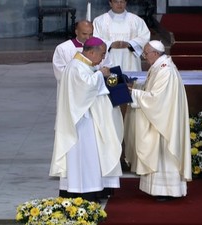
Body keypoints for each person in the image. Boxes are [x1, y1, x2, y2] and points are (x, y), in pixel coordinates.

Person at [49, 37, 124, 202]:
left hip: (86, 119)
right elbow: (86, 88)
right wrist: (100, 74)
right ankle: (85, 192)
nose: (103, 58)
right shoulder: (76, 67)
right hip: (82, 122)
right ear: (91, 52)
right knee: (85, 157)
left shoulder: (84, 65)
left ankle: (88, 189)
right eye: (102, 54)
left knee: (89, 157)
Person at [124, 40, 192, 201]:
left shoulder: (165, 70)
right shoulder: (159, 67)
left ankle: (167, 190)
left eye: (146, 54)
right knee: (158, 153)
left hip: (164, 122)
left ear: (155, 53)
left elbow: (156, 99)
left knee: (163, 153)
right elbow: (151, 91)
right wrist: (135, 88)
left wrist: (132, 93)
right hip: (161, 118)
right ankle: (159, 189)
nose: (144, 57)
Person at [93, 0, 150, 72]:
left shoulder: (136, 20)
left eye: (122, 1)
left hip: (131, 59)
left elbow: (144, 37)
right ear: (110, 3)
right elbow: (95, 39)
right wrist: (110, 44)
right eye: (116, 2)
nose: (119, 4)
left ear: (126, 3)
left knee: (131, 81)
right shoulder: (99, 21)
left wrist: (129, 44)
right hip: (109, 58)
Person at [52, 20, 93, 98]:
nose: (88, 37)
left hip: (91, 91)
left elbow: (105, 65)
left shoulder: (98, 47)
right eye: (84, 34)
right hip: (71, 92)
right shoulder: (63, 48)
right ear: (76, 32)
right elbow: (60, 73)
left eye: (90, 34)